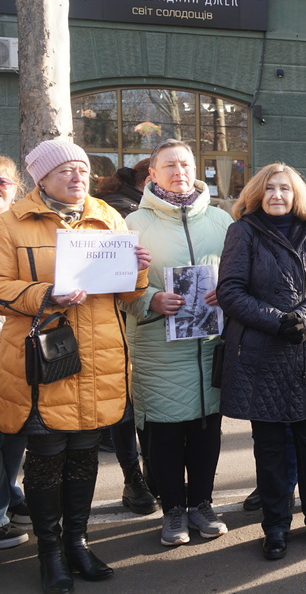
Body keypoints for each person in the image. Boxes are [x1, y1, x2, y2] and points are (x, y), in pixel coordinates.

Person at [0, 140, 151, 594]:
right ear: (41, 178)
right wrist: (47, 295)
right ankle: (50, 552)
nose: (76, 176)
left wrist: (139, 270)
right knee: (46, 459)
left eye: (81, 169)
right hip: (44, 355)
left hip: (99, 357)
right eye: (64, 170)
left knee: (85, 457)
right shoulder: (11, 223)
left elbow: (127, 295)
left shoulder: (107, 215)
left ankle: (78, 543)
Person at [218, 163, 306, 561]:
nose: (277, 195)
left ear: (296, 195)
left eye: (284, 189)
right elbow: (231, 291)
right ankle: (275, 525)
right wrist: (278, 322)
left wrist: (303, 317)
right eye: (269, 188)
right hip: (261, 356)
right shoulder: (243, 232)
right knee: (270, 445)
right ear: (257, 194)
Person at [121, 140, 233, 547]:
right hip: (157, 349)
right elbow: (116, 289)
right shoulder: (132, 223)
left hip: (210, 347)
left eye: (185, 163)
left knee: (207, 430)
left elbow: (241, 275)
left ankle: (202, 504)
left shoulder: (222, 221)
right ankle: (172, 511)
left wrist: (229, 294)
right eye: (169, 165)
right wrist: (150, 299)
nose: (179, 170)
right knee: (165, 435)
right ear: (152, 174)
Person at [92, 159, 159, 516]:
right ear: (150, 177)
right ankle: (135, 479)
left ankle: (143, 478)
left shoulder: (128, 205)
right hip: (118, 323)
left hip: (133, 320)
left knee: (138, 406)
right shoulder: (120, 210)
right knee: (128, 409)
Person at [0, 157, 29, 551]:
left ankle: (10, 490)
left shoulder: (22, 226)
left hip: (19, 344)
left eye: (3, 180)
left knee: (14, 426)